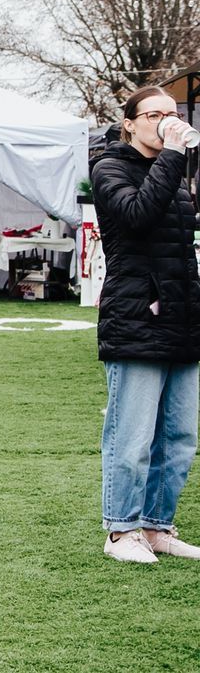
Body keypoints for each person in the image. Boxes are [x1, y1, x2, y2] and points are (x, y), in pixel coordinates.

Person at [91, 87, 200, 564]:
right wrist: (174, 154)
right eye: (154, 114)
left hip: (183, 317)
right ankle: (121, 531)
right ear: (129, 123)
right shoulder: (109, 168)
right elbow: (137, 217)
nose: (165, 122)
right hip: (136, 315)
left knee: (179, 437)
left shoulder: (175, 175)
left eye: (171, 115)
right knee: (131, 436)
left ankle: (157, 526)